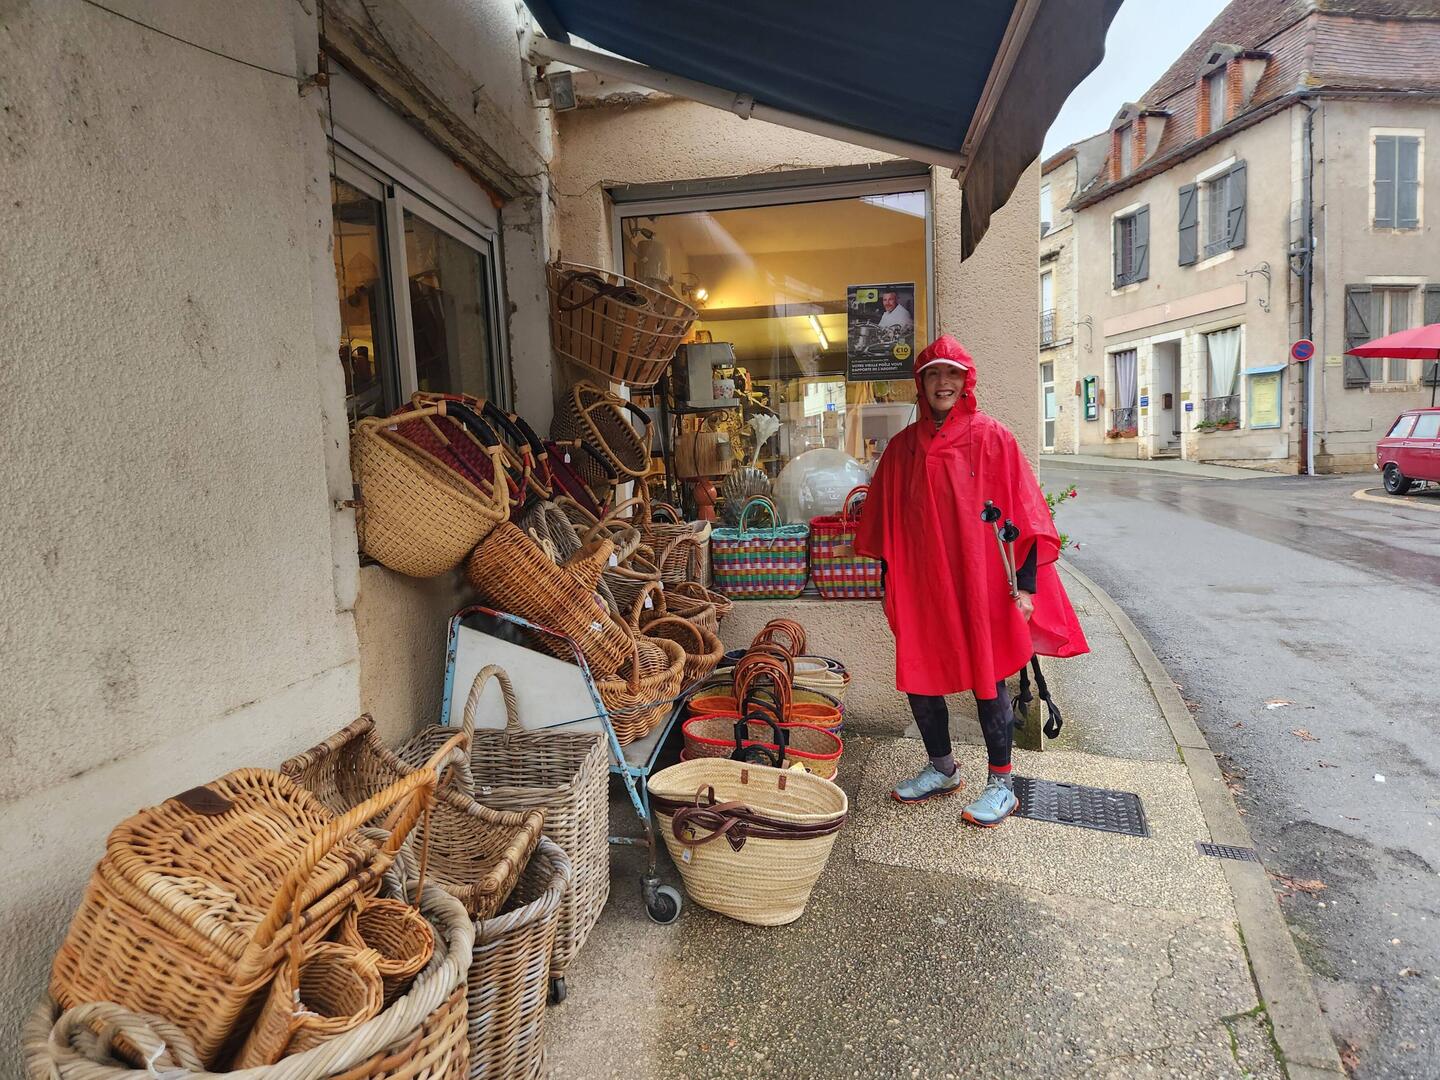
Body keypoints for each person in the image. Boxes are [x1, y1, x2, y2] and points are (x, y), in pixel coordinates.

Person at [853, 334, 1088, 827]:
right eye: (935, 374)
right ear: (922, 382)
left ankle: (1002, 784)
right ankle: (942, 769)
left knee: (988, 679)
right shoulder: (901, 450)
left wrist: (1025, 588)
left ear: (966, 382)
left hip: (981, 583)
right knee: (920, 676)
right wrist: (888, 582)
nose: (943, 383)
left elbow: (1023, 516)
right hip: (920, 586)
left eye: (952, 374)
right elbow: (887, 523)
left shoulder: (992, 438)